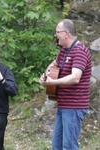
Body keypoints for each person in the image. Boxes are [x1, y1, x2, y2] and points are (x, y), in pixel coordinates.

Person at [39, 19, 92, 150]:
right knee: (57, 145)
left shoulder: (80, 51)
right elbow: (54, 64)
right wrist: (46, 76)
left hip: (74, 106)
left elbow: (75, 78)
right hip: (63, 105)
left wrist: (53, 82)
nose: (55, 35)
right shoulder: (64, 50)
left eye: (57, 32)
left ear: (66, 33)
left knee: (69, 146)